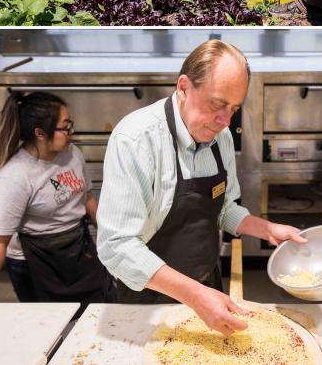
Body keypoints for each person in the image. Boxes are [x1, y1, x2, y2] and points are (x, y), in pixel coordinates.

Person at [97, 40, 307, 336]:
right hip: (144, 296)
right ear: (183, 87)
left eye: (234, 109)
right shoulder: (136, 140)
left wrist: (267, 229)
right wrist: (194, 295)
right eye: (217, 104)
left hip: (206, 284)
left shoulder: (220, 137)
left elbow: (224, 209)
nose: (225, 121)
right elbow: (116, 246)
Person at [0, 91, 108, 304]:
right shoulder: (15, 176)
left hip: (78, 249)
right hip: (34, 263)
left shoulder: (72, 154)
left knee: (96, 310)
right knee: (49, 324)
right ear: (40, 133)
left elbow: (87, 198)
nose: (71, 132)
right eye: (64, 127)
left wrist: (110, 236)